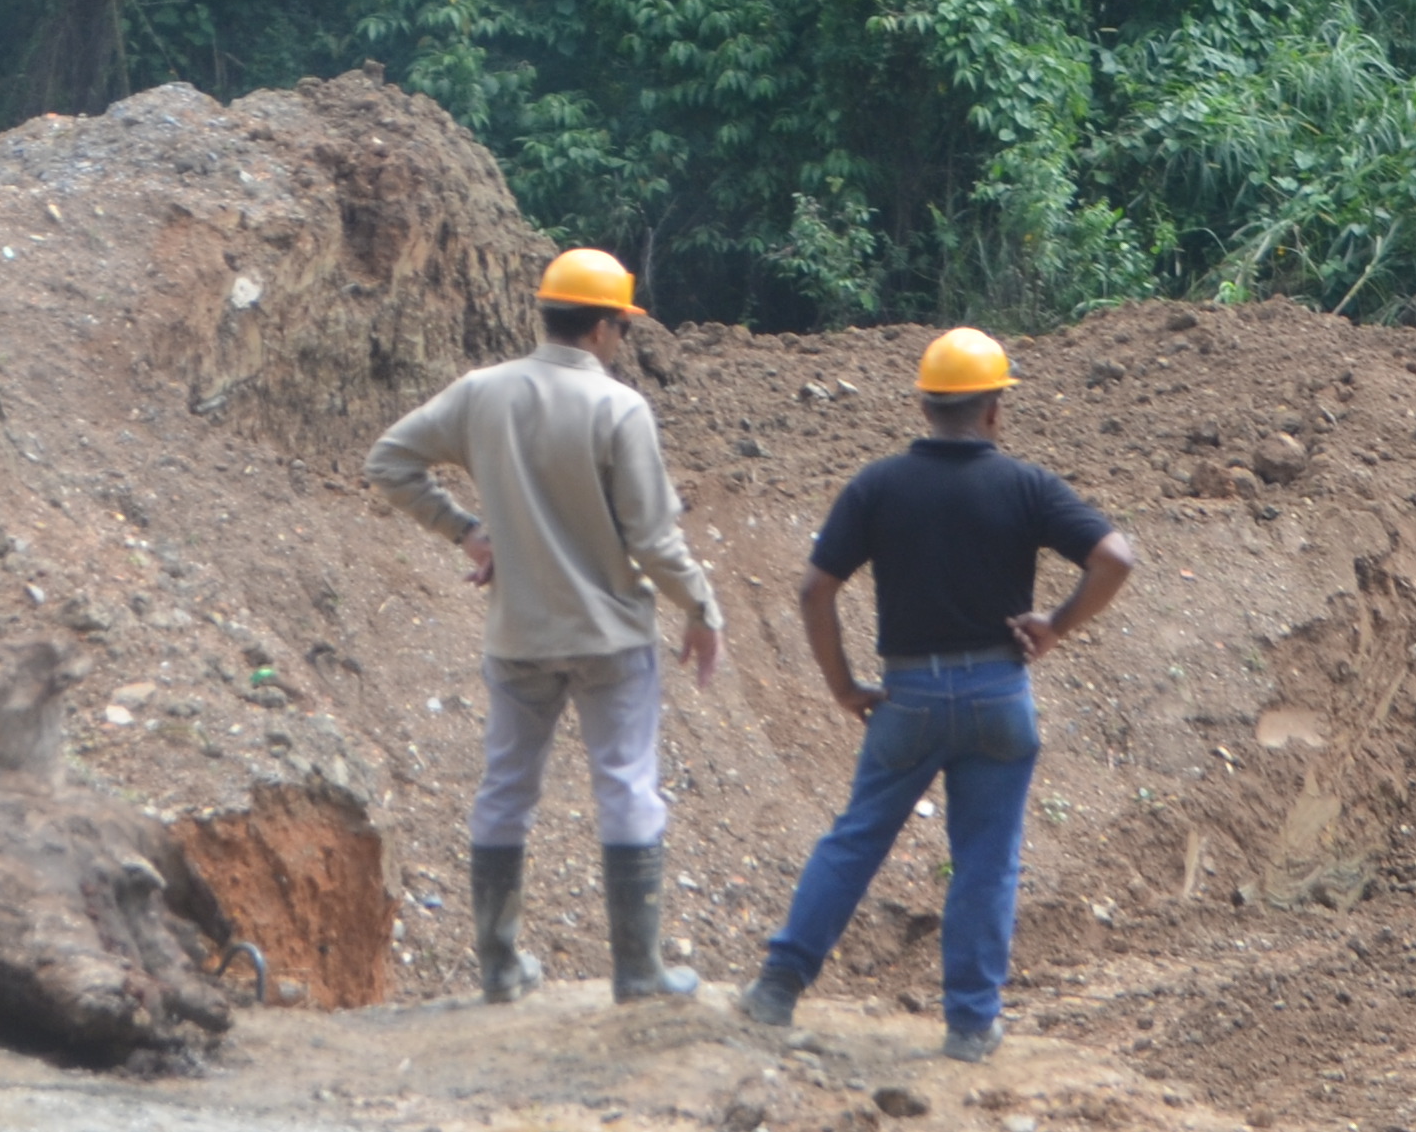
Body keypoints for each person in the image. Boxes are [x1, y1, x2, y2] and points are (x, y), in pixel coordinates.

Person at [748, 327, 1135, 1051]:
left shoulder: (877, 487)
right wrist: (1055, 623)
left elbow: (814, 591)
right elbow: (1115, 556)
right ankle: (969, 1026)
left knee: (857, 838)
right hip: (998, 695)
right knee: (987, 858)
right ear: (994, 411)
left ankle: (779, 985)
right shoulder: (1026, 486)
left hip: (909, 696)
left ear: (925, 407)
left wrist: (843, 688)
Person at [367, 247, 728, 1005]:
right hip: (611, 640)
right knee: (627, 786)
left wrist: (465, 530)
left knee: (505, 790)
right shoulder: (618, 409)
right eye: (622, 328)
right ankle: (638, 970)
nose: (622, 340)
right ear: (602, 329)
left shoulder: (481, 393)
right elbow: (655, 542)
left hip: (518, 637)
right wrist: (700, 609)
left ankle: (498, 967)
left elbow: (390, 462)